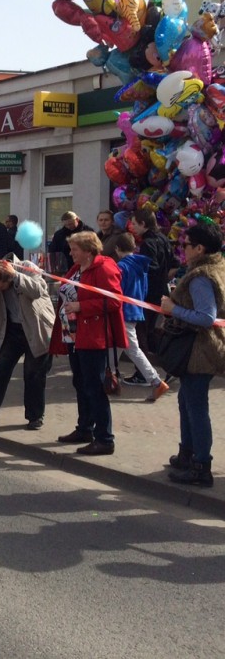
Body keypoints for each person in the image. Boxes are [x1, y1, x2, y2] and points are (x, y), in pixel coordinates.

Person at [159, 222, 225, 486]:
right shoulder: (217, 267)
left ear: (200, 249)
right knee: (186, 401)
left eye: (185, 245)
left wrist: (172, 309)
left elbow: (206, 317)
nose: (182, 249)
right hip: (201, 348)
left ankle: (200, 466)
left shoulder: (201, 277)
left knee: (196, 408)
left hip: (199, 350)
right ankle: (187, 453)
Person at [50, 231, 127, 455]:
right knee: (80, 383)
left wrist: (82, 307)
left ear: (88, 250)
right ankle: (85, 428)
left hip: (93, 335)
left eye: (74, 249)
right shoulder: (78, 268)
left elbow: (114, 301)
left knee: (95, 387)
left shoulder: (104, 268)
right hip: (73, 333)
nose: (70, 253)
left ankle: (105, 438)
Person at [0, 256, 56, 430]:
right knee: (0, 370)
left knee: (34, 374)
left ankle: (35, 417)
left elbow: (38, 290)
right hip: (12, 330)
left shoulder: (27, 268)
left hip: (36, 329)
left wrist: (16, 276)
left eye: (1, 288)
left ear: (8, 279)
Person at [110, 232, 170, 401]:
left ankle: (156, 381)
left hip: (124, 311)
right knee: (116, 346)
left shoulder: (121, 267)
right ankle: (110, 377)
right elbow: (144, 289)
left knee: (131, 349)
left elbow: (117, 291)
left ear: (117, 249)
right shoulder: (141, 265)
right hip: (135, 309)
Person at [125, 207, 176, 380]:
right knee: (152, 333)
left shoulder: (148, 243)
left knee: (141, 334)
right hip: (161, 292)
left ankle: (143, 374)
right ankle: (169, 367)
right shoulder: (163, 238)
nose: (132, 227)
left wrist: (136, 270)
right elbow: (175, 263)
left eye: (134, 223)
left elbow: (151, 268)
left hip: (148, 295)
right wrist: (165, 277)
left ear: (143, 224)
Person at [49, 211, 93, 276]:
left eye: (71, 224)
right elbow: (53, 250)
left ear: (77, 219)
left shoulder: (88, 231)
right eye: (66, 225)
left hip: (84, 264)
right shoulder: (59, 234)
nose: (69, 226)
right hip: (65, 267)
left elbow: (93, 248)